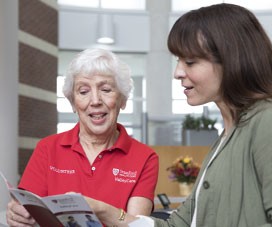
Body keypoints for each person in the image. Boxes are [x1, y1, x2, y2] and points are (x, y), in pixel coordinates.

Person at [73, 3, 272, 227]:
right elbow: (178, 225)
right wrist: (103, 211)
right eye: (179, 61)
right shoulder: (228, 135)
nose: (178, 72)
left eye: (190, 62)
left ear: (232, 60)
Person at [6, 48, 159, 226]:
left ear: (122, 100)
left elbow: (136, 225)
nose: (95, 100)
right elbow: (29, 210)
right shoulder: (47, 149)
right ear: (73, 103)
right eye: (83, 91)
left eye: (106, 89)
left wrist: (100, 209)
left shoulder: (144, 158)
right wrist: (18, 216)